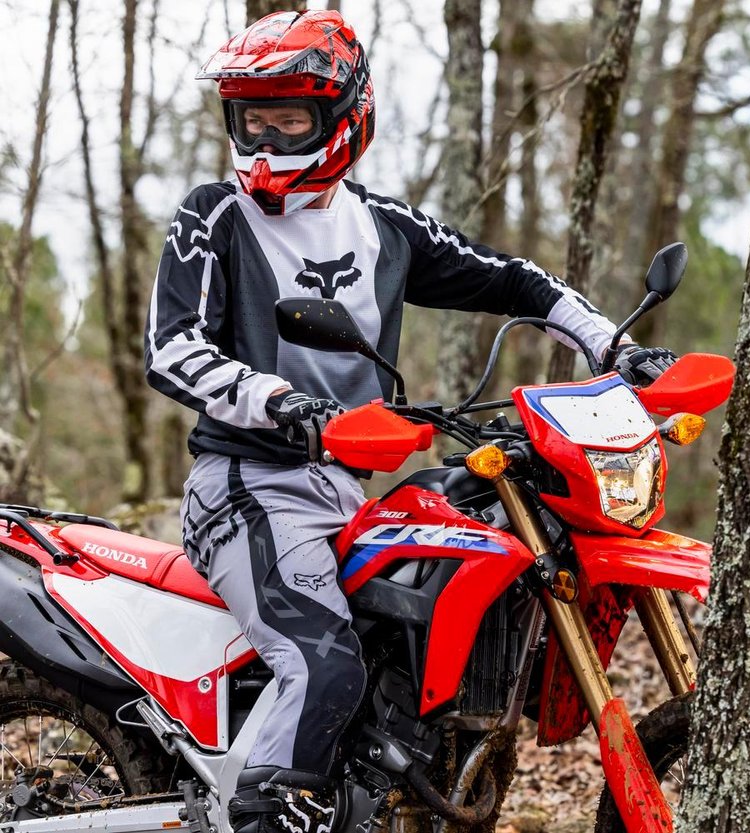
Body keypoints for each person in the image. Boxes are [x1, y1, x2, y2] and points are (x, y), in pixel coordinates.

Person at [143, 10, 675, 833]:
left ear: (344, 114)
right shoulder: (215, 215)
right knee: (325, 664)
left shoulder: (384, 229)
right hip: (247, 487)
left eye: (290, 119)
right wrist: (285, 404)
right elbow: (172, 346)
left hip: (341, 492)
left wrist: (618, 347)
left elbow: (515, 281)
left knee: (409, 655)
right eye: (253, 119)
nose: (267, 138)